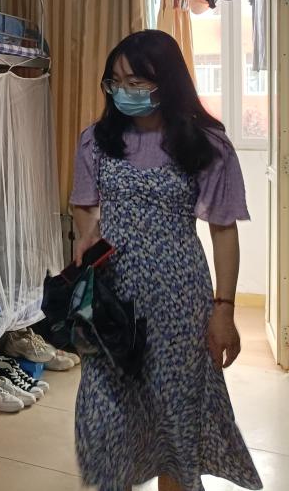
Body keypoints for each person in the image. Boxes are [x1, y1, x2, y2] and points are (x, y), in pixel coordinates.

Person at [70, 30, 261, 491]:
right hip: (114, 304)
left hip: (180, 305)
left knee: (173, 422)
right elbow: (83, 203)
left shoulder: (206, 144)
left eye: (136, 82)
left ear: (166, 83)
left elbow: (223, 229)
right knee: (105, 419)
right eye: (115, 82)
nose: (123, 92)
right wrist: (88, 233)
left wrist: (224, 310)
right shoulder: (96, 141)